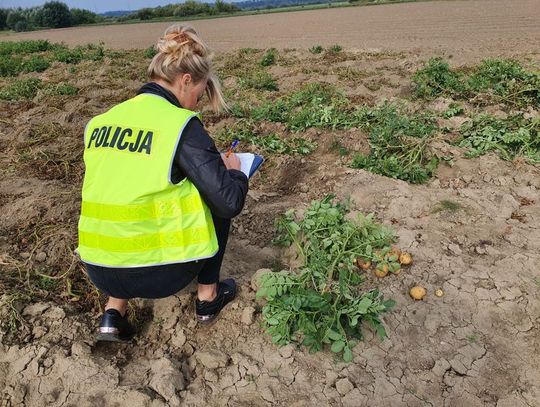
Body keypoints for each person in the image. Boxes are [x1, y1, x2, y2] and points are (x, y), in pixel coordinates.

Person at [77, 24, 248, 342]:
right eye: (200, 91)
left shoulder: (100, 123)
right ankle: (208, 297)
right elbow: (228, 201)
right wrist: (234, 173)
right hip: (159, 275)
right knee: (214, 191)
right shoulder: (179, 124)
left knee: (124, 188)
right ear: (185, 80)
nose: (197, 102)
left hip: (99, 269)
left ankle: (113, 312)